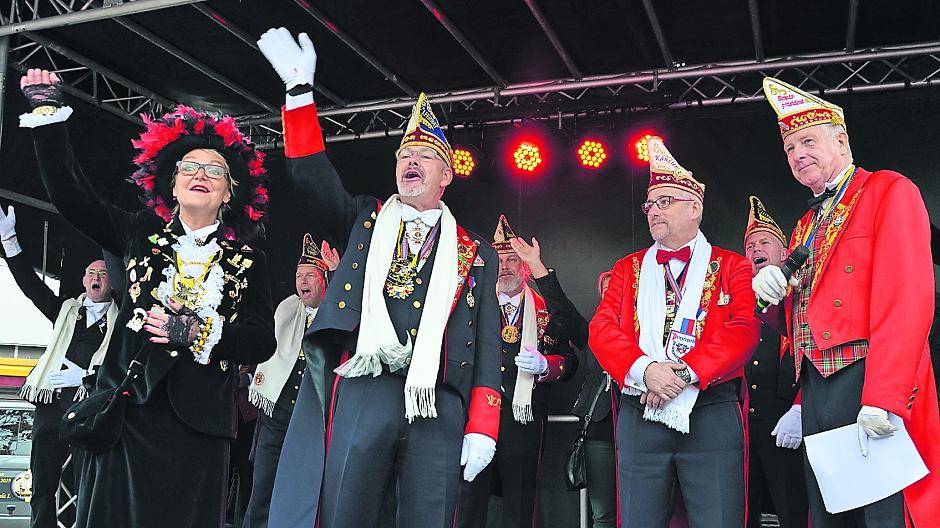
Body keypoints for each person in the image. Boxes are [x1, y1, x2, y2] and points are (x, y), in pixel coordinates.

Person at [257, 28, 501, 527]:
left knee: (428, 518)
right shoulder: (365, 218)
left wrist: (486, 424)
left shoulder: (475, 250)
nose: (412, 161)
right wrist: (300, 94)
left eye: (426, 156)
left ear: (447, 174)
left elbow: (490, 343)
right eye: (404, 156)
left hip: (439, 400)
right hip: (365, 390)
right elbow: (310, 177)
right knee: (345, 511)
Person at [19, 68, 276, 528]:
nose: (201, 174)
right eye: (190, 168)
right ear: (172, 184)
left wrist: (199, 332)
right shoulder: (140, 232)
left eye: (214, 170)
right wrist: (46, 112)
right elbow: (72, 197)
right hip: (127, 413)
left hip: (201, 429)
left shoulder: (248, 260)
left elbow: (261, 342)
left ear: (228, 193)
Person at [753, 77, 940, 527]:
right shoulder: (802, 226)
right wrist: (775, 299)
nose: (797, 154)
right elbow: (806, 320)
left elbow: (908, 299)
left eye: (808, 141)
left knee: (885, 514)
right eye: (790, 148)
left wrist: (885, 396)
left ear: (841, 139)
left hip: (868, 378)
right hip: (817, 387)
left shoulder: (887, 191)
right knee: (830, 513)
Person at [589, 138, 760, 527]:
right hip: (640, 410)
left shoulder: (732, 266)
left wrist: (683, 373)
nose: (653, 211)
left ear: (695, 208)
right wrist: (645, 370)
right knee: (636, 519)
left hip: (710, 409)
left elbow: (744, 329)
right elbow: (601, 329)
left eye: (665, 201)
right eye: (650, 204)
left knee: (719, 518)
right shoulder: (627, 268)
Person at [456, 216, 578, 527]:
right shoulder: (471, 304)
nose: (506, 266)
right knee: (468, 498)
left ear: (524, 266)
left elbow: (571, 356)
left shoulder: (544, 308)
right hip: (475, 415)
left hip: (522, 418)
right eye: (499, 259)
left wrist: (546, 366)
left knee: (520, 502)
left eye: (513, 259)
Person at [0, 205, 116, 528]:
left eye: (103, 273)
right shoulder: (65, 311)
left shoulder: (120, 324)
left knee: (86, 484)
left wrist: (88, 377)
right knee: (42, 485)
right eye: (92, 273)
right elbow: (32, 288)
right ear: (83, 280)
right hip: (51, 406)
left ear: (111, 283)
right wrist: (10, 240)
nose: (96, 278)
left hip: (89, 409)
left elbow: (123, 368)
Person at [243, 234, 339, 527]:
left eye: (311, 275)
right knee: (261, 491)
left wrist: (338, 274)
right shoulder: (285, 309)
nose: (303, 281)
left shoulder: (335, 318)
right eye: (299, 276)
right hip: (276, 416)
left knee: (299, 494)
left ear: (324, 280)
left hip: (311, 423)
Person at [742, 196, 808, 528]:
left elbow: (815, 358)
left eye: (765, 242)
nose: (756, 247)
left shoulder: (803, 295)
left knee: (794, 511)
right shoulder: (737, 300)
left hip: (787, 425)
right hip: (742, 429)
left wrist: (800, 408)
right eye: (750, 244)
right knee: (743, 514)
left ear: (784, 253)